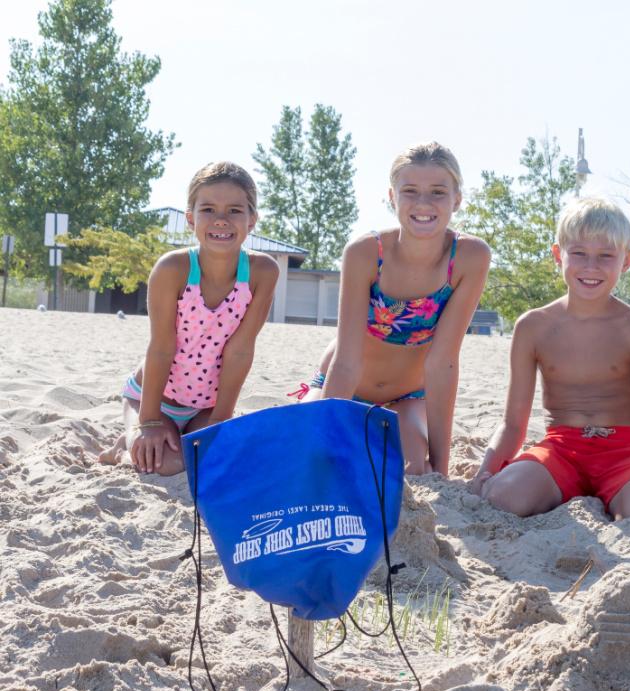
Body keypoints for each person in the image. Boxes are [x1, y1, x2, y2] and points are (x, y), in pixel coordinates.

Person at [468, 198, 630, 519]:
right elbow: (513, 422)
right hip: (561, 450)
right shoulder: (533, 326)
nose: (591, 267)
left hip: (627, 453)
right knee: (502, 497)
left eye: (605, 256)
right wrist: (485, 472)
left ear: (626, 261)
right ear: (559, 254)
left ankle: (625, 495)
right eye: (579, 254)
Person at [299, 142, 490, 475]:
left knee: (410, 468)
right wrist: (325, 442)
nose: (423, 203)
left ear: (457, 199)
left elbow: (442, 363)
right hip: (348, 382)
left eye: (438, 192)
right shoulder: (366, 252)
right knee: (312, 448)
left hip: (409, 396)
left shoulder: (469, 258)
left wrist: (441, 469)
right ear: (392, 197)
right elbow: (346, 360)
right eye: (410, 191)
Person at [99, 161, 279, 475]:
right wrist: (150, 421)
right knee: (167, 465)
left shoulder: (262, 272)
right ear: (190, 218)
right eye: (208, 209)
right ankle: (124, 446)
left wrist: (220, 420)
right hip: (154, 399)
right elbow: (161, 347)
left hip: (206, 406)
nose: (221, 220)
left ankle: (149, 440)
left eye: (235, 211)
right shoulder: (174, 269)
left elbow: (240, 351)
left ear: (252, 220)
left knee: (211, 462)